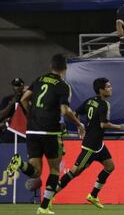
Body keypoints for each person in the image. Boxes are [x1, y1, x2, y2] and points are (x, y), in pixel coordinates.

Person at [6, 54, 85, 215]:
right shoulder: (63, 86)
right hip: (50, 130)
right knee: (55, 169)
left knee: (35, 171)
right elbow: (65, 110)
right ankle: (43, 207)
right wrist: (79, 124)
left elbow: (23, 100)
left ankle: (19, 162)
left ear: (50, 66)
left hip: (32, 130)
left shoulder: (39, 79)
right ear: (65, 68)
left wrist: (32, 116)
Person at [53, 78, 124, 209]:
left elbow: (75, 113)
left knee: (110, 166)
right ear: (101, 90)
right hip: (91, 146)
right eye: (108, 86)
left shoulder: (90, 101)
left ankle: (93, 195)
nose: (111, 88)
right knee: (74, 172)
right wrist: (119, 127)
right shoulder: (104, 105)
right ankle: (50, 196)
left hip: (98, 144)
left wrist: (79, 125)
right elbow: (103, 124)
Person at [0, 78, 26, 143]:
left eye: (19, 86)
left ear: (23, 86)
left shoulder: (26, 99)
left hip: (23, 129)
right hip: (9, 129)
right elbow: (1, 116)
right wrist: (11, 104)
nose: (17, 88)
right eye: (15, 86)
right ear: (13, 87)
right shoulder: (7, 99)